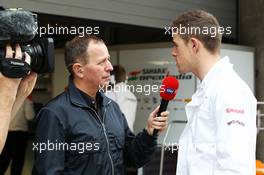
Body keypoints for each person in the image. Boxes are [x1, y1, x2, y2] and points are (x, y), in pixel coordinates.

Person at [33, 35, 169, 175]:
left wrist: (149, 132)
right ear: (79, 70)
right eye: (101, 62)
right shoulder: (54, 114)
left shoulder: (112, 107)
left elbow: (132, 158)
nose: (109, 67)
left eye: (108, 59)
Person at [171, 10, 257, 175]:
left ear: (194, 45)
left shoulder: (230, 91)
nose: (173, 52)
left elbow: (235, 169)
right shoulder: (210, 89)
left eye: (176, 44)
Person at [0, 44, 37, 153]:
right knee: (17, 163)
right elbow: (30, 116)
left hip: (8, 131)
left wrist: (21, 96)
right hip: (20, 134)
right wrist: (7, 93)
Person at [0, 97, 35, 175]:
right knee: (17, 162)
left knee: (3, 160)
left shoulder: (6, 98)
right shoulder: (25, 100)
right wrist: (30, 102)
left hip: (5, 134)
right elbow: (30, 116)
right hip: (20, 136)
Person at [105, 65, 137, 132]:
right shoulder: (131, 95)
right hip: (129, 134)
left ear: (111, 78)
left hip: (115, 136)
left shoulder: (111, 94)